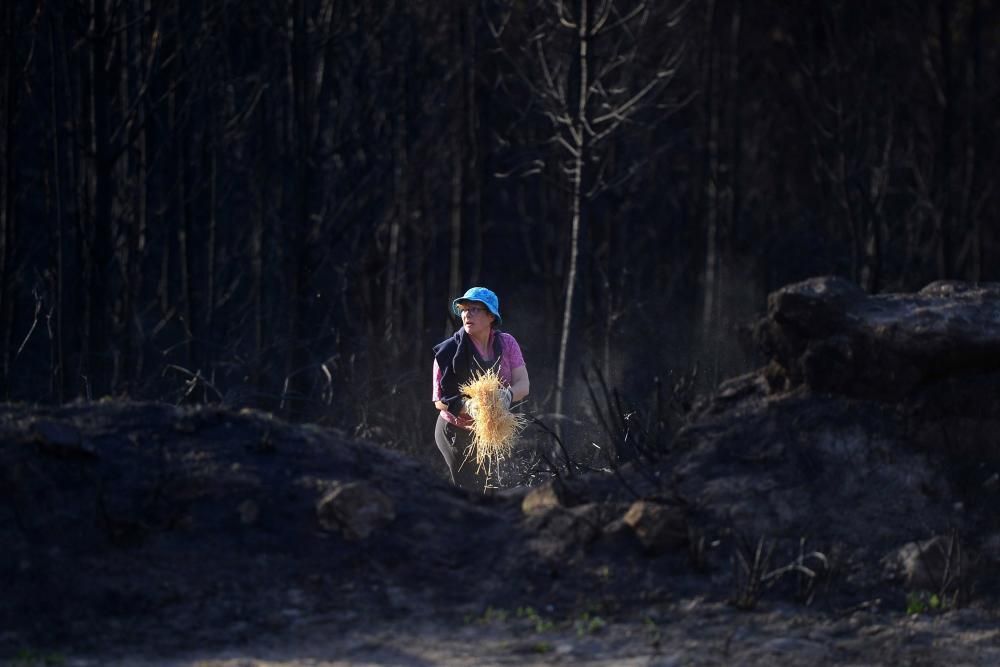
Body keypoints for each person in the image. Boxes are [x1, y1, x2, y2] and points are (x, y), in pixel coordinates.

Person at [432, 287, 530, 492]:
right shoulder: (447, 351)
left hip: (491, 432)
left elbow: (523, 384)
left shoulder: (507, 343)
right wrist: (468, 406)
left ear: (491, 316)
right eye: (464, 309)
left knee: (493, 489)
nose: (467, 314)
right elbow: (439, 400)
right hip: (454, 430)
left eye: (474, 309)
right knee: (468, 490)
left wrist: (508, 395)